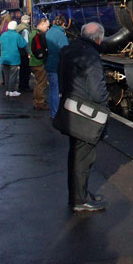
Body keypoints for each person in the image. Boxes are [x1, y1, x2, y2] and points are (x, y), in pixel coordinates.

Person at [58, 22, 109, 212]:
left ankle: (79, 193)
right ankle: (80, 200)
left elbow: (61, 78)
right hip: (86, 113)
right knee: (84, 158)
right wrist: (105, 111)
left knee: (75, 154)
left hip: (71, 107)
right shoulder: (91, 56)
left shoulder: (69, 49)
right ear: (98, 38)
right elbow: (98, 92)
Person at [45, 15, 69, 118]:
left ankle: (53, 111)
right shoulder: (60, 35)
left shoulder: (49, 32)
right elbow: (65, 50)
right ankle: (56, 113)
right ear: (63, 23)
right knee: (56, 89)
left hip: (50, 62)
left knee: (52, 89)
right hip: (57, 64)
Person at [0, 20, 27, 97]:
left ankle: (7, 90)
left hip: (4, 58)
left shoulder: (3, 35)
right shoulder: (17, 35)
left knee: (6, 75)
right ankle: (11, 90)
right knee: (13, 75)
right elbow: (22, 45)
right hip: (14, 58)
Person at [29, 17, 50, 110]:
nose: (48, 28)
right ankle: (39, 102)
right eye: (47, 26)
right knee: (41, 83)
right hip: (38, 62)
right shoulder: (38, 35)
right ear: (42, 24)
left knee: (38, 82)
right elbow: (39, 50)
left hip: (33, 61)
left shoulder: (32, 33)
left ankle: (37, 100)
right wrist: (44, 55)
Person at [16, 15, 32, 92]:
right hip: (24, 53)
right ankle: (24, 86)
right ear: (27, 20)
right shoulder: (25, 30)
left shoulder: (18, 27)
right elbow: (26, 42)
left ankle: (21, 85)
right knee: (26, 70)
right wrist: (29, 52)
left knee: (22, 70)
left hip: (19, 51)